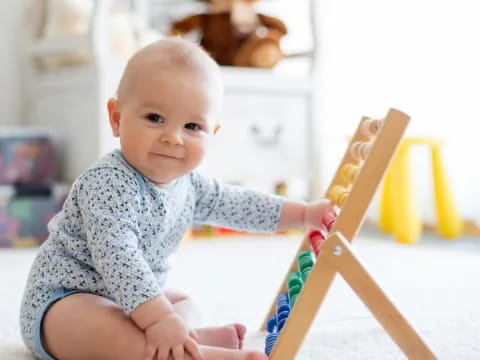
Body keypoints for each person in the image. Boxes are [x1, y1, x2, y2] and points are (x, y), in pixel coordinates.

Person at [20, 37, 333, 360]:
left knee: (183, 302)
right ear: (116, 118)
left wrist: (305, 213)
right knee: (106, 328)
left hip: (130, 301)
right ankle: (196, 354)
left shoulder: (190, 185)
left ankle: (186, 340)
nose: (173, 137)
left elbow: (240, 205)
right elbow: (118, 258)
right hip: (63, 301)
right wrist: (158, 318)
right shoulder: (107, 183)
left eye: (192, 126)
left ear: (212, 134)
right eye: (155, 118)